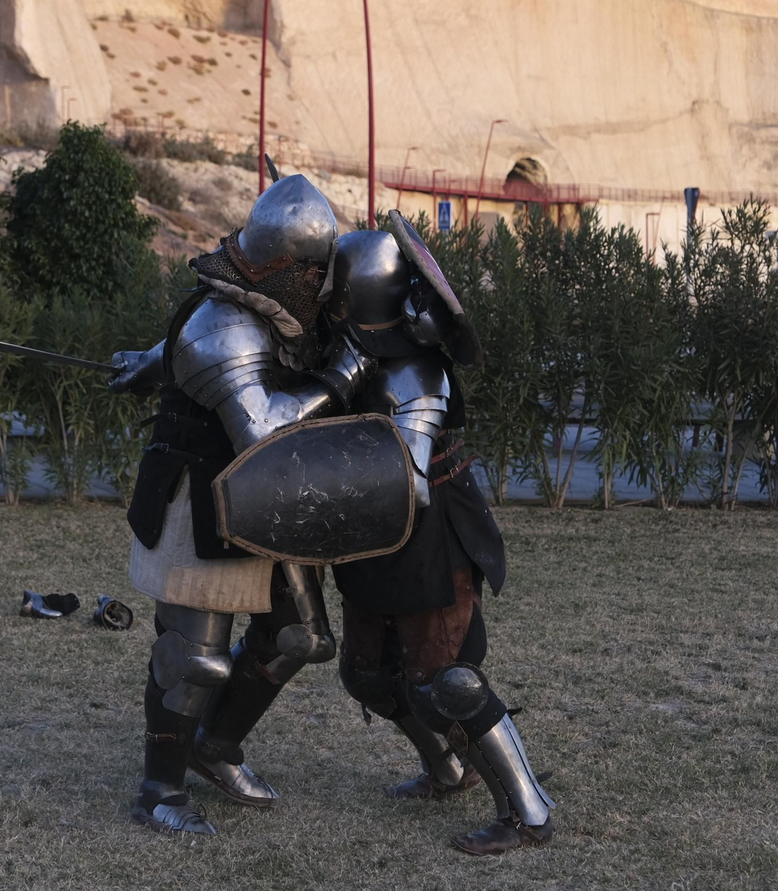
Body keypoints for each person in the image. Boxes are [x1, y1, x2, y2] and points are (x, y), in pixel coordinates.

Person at [108, 173, 374, 835]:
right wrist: (337, 384)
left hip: (265, 501)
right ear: (287, 267)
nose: (319, 285)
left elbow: (266, 355)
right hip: (198, 497)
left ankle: (214, 748)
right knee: (194, 657)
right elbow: (262, 427)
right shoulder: (221, 325)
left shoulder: (274, 305)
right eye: (311, 273)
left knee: (298, 637)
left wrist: (153, 358)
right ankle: (159, 789)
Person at [326, 221, 557, 855]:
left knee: (447, 679)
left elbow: (409, 478)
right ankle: (444, 768)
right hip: (371, 530)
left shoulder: (415, 372)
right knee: (367, 673)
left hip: (425, 532)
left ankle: (529, 809)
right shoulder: (350, 351)